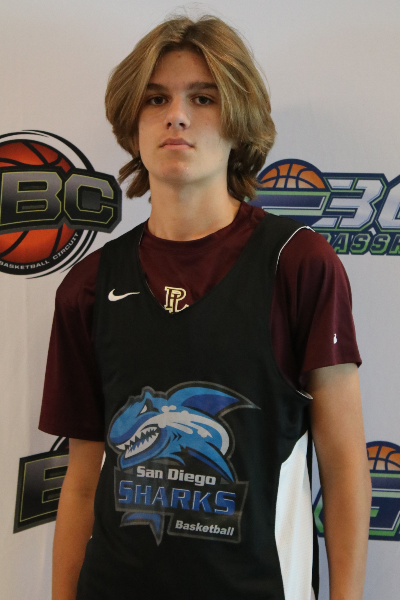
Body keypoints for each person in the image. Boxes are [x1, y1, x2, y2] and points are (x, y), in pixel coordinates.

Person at [39, 14, 371, 600]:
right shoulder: (89, 285)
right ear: (133, 122)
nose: (177, 115)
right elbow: (83, 483)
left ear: (239, 117)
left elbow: (343, 468)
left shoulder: (298, 265)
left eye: (203, 97)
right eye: (156, 99)